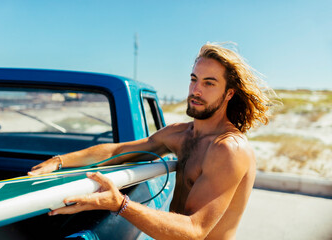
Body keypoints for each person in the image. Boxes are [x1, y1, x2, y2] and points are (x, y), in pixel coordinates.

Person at [29, 42, 272, 240]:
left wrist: (119, 204)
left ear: (229, 93)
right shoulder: (180, 135)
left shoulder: (228, 148)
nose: (196, 90)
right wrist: (59, 161)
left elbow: (195, 231)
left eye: (209, 83)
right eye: (194, 79)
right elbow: (121, 149)